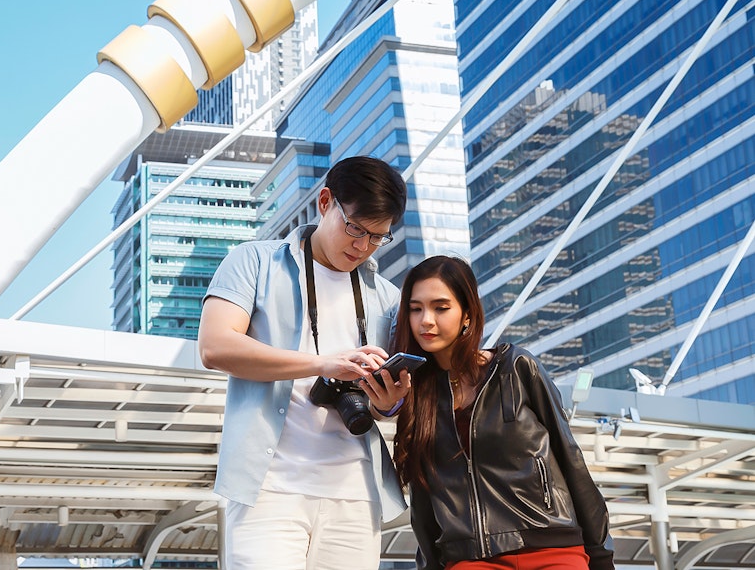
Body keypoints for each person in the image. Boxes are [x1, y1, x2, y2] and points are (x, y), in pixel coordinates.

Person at [198, 156, 412, 569]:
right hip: (268, 489)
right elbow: (215, 347)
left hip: (356, 493)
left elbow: (388, 408)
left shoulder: (388, 298)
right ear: (325, 201)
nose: (362, 246)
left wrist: (389, 401)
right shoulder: (253, 262)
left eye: (377, 237)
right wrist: (321, 364)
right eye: (355, 229)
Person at [390, 255, 615, 570]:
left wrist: (601, 557)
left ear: (467, 314)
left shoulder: (516, 368)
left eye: (441, 308)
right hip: (470, 559)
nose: (426, 320)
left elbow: (571, 461)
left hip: (551, 548)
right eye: (416, 309)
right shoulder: (417, 394)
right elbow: (424, 500)